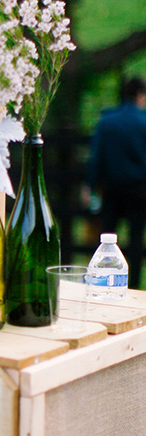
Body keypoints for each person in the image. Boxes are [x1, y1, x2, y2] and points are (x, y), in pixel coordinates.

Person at [88, 75, 146, 287]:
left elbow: (96, 158)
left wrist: (91, 186)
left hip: (112, 189)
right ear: (140, 95)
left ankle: (102, 282)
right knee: (136, 242)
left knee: (106, 238)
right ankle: (135, 287)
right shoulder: (143, 122)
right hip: (139, 190)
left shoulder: (106, 122)